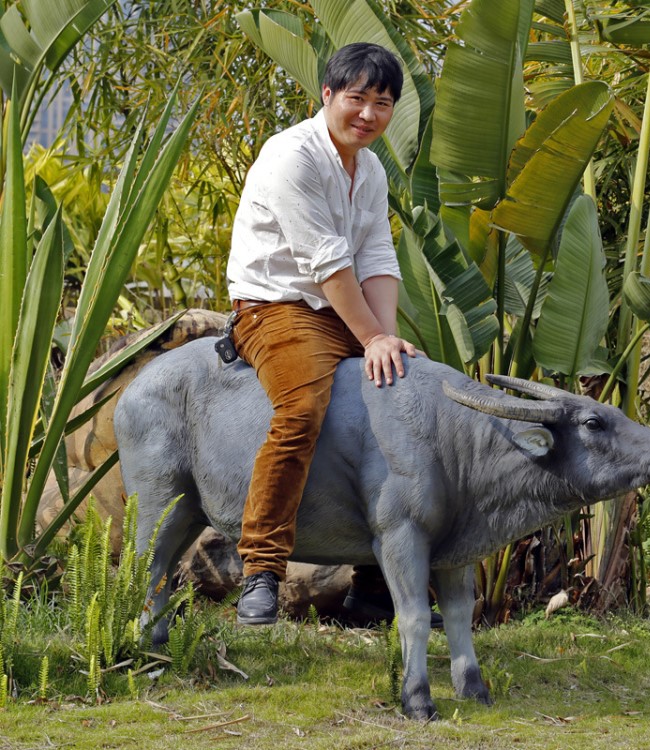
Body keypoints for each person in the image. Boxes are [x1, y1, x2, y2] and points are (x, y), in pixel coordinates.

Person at [227, 42, 417, 625]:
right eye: (357, 98)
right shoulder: (293, 157)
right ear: (328, 96)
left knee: (403, 397)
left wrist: (384, 340)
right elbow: (328, 264)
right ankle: (260, 571)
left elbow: (378, 255)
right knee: (301, 410)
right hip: (276, 306)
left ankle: (376, 587)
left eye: (382, 103)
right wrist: (371, 337)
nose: (368, 114)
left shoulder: (372, 167)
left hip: (341, 309)